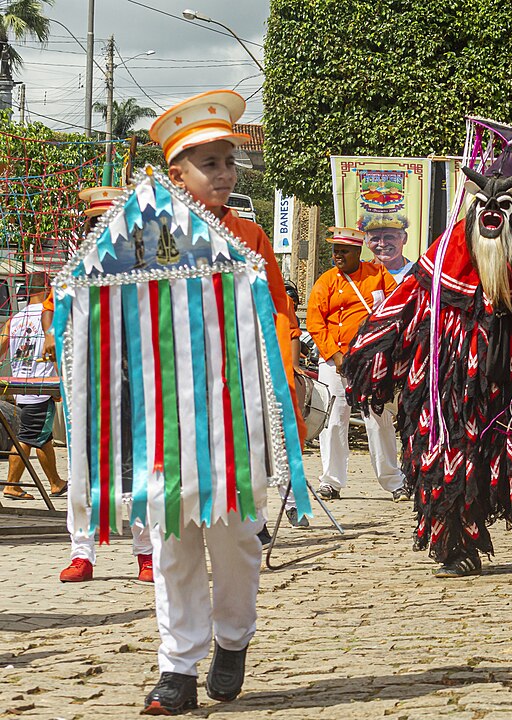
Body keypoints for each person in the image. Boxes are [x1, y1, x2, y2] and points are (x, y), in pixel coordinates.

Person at [342, 156, 512, 578]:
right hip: (458, 376)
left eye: (505, 207)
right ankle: (456, 546)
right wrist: (374, 350)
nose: (492, 215)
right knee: (450, 451)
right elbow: (407, 302)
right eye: (483, 207)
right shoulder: (449, 250)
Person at [140, 89, 304, 714]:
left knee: (235, 539)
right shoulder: (144, 238)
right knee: (172, 536)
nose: (225, 173)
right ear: (174, 172)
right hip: (167, 415)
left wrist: (278, 394)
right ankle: (177, 669)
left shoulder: (252, 238)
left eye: (229, 160)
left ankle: (232, 640)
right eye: (210, 163)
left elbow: (279, 319)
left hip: (237, 415)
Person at [40, 186, 155, 584]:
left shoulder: (147, 272)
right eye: (97, 224)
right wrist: (54, 334)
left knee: (139, 468)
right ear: (88, 229)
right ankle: (81, 554)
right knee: (83, 470)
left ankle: (146, 553)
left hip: (137, 387)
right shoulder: (72, 275)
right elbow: (50, 320)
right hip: (88, 388)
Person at [306, 227, 406, 502]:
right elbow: (316, 322)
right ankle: (331, 481)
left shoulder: (378, 275)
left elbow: (397, 307)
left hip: (371, 360)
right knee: (334, 420)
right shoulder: (326, 281)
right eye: (335, 250)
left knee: (378, 419)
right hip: (335, 361)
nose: (338, 255)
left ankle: (394, 481)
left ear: (358, 252)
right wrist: (335, 355)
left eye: (344, 251)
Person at [0, 272, 67, 503]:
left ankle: (56, 482)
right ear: (47, 288)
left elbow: (1, 347)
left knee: (43, 436)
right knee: (28, 437)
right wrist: (61, 381)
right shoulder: (50, 316)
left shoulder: (15, 318)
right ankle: (12, 485)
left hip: (21, 386)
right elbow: (56, 351)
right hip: (42, 386)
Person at [361, 213, 413, 284]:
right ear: (366, 241)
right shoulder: (360, 273)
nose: (382, 244)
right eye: (375, 238)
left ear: (404, 238)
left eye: (389, 237)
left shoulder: (416, 275)